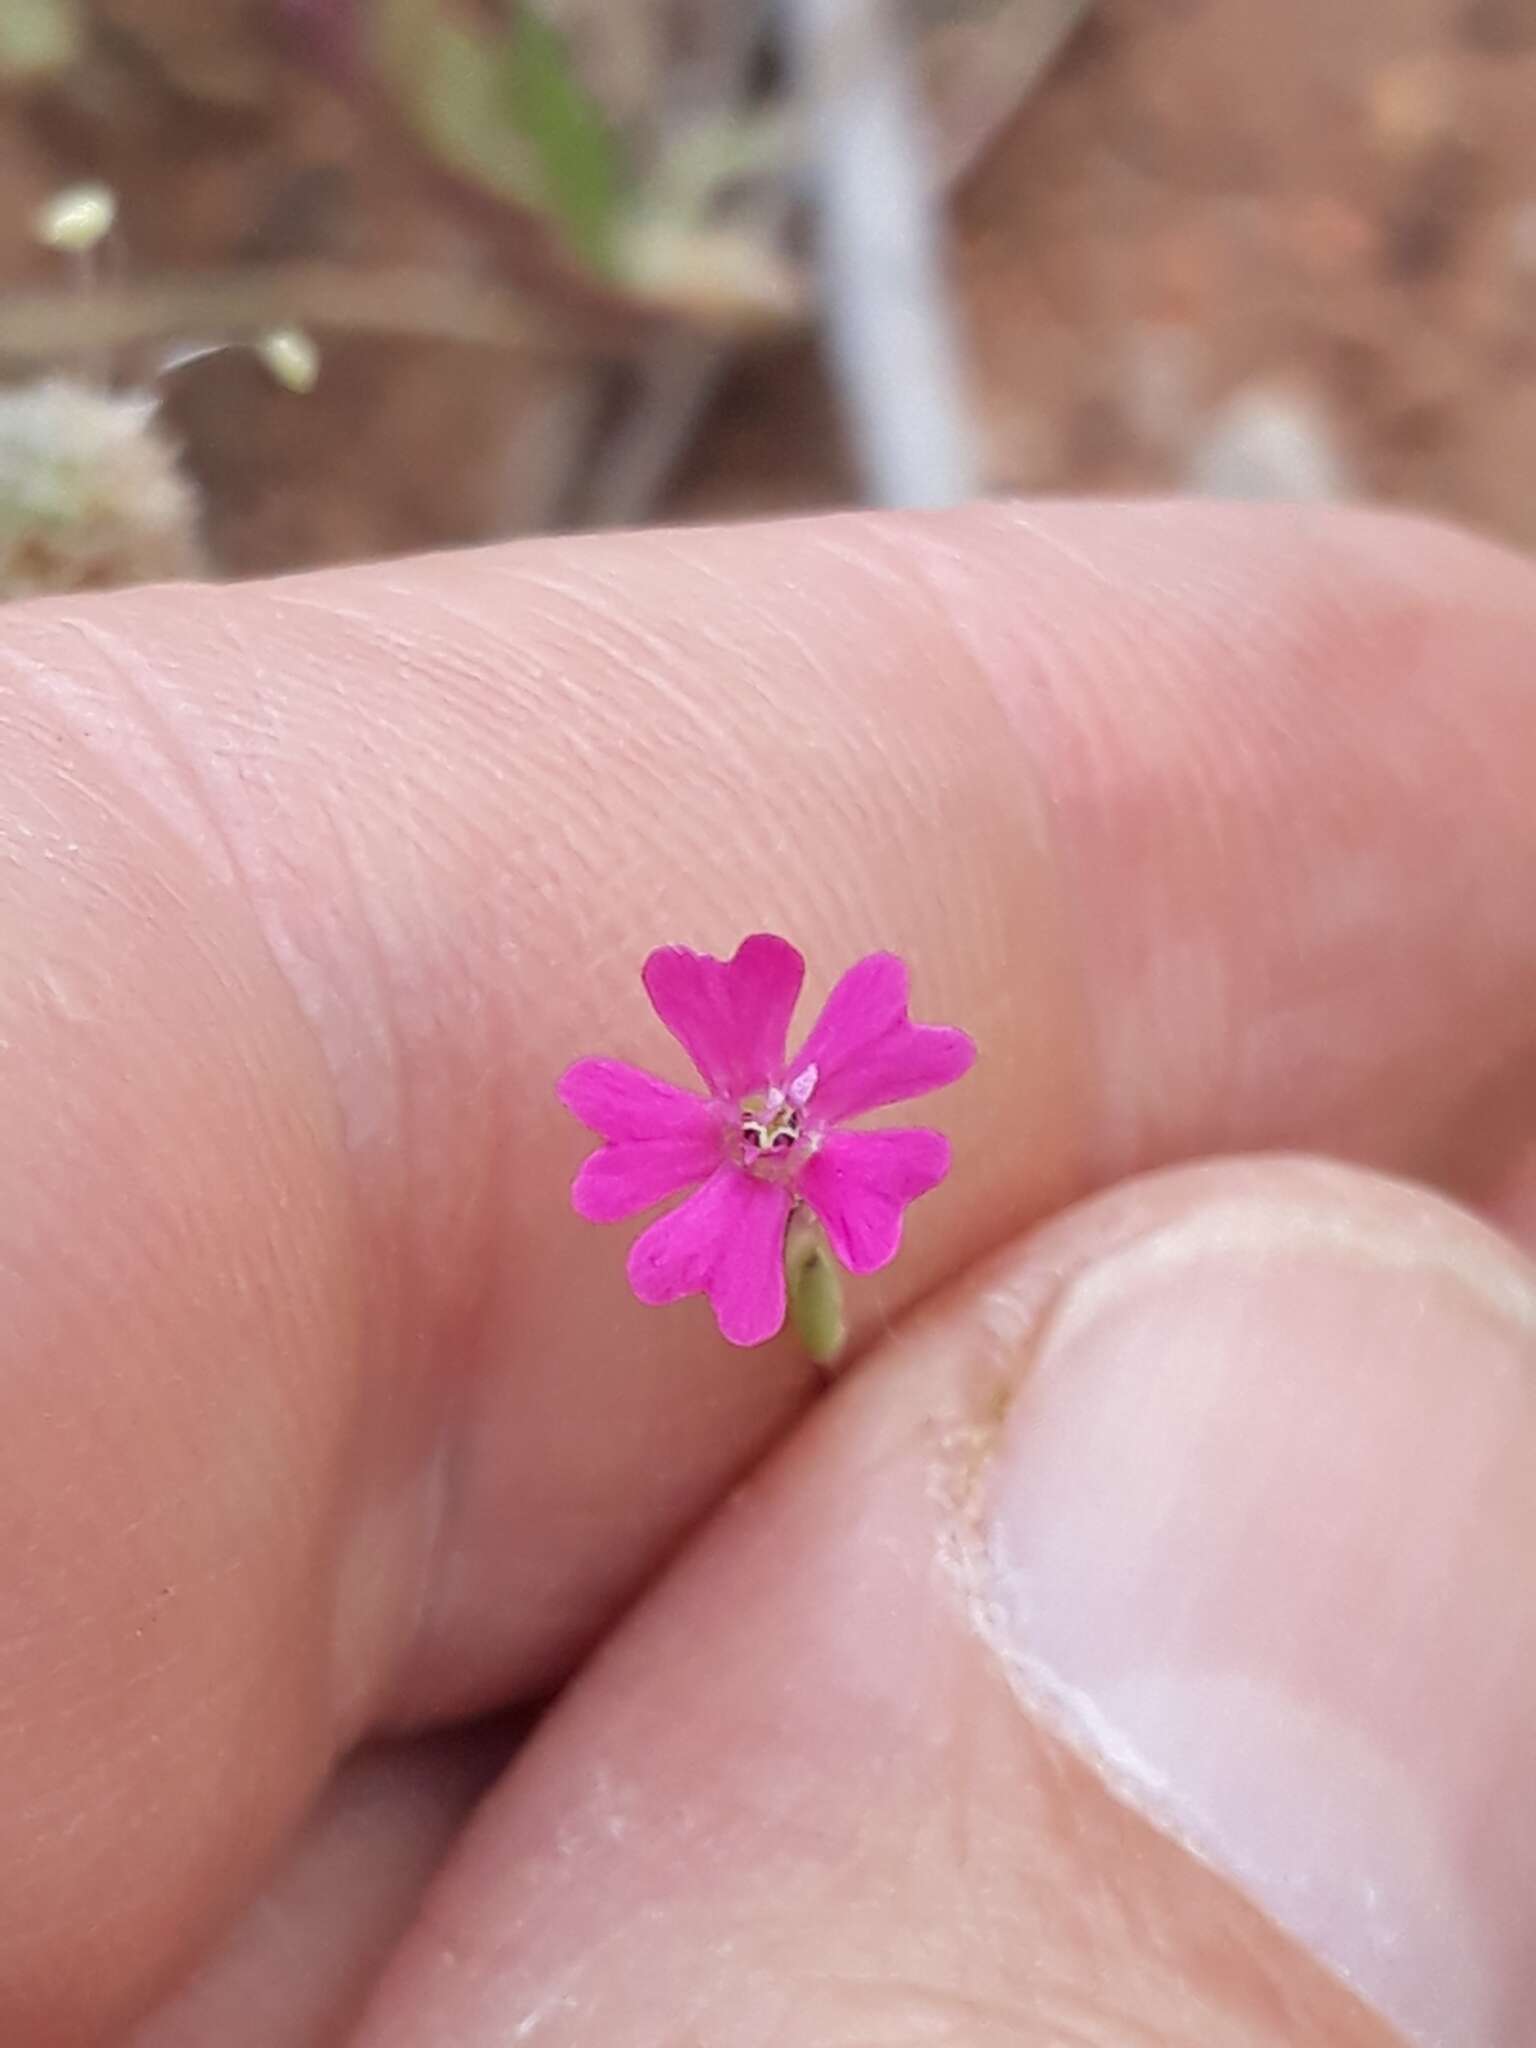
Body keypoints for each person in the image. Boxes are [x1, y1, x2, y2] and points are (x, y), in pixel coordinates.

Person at [3, 499, 1530, 2048]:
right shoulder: (722, 1170)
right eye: (764, 1115)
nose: (777, 1119)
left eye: (787, 1113)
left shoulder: (829, 1154)